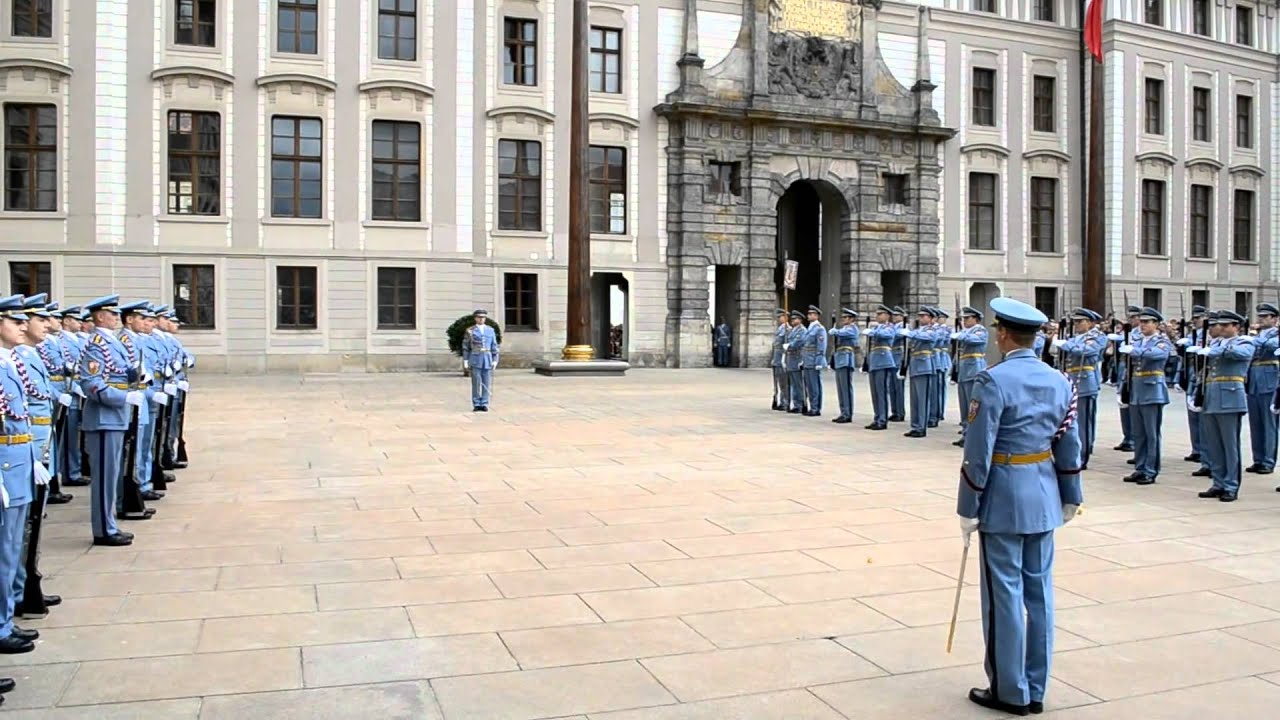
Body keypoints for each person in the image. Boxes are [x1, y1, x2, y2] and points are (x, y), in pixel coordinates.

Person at [957, 296, 1083, 717]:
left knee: (1004, 596)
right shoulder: (1060, 380)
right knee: (1039, 594)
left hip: (1004, 494)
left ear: (1004, 334)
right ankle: (1035, 686)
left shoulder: (992, 380)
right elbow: (1069, 443)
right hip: (1044, 492)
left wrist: (968, 503)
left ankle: (1009, 690)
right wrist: (1072, 495)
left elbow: (979, 450)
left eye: (997, 330)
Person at [78, 295, 141, 547]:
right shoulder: (97, 345)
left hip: (113, 418)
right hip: (104, 419)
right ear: (100, 317)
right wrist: (124, 396)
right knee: (104, 478)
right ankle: (104, 529)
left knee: (111, 474)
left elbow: (117, 372)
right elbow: (92, 385)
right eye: (112, 314)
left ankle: (109, 523)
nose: (117, 318)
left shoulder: (110, 343)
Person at [0, 295, 41, 659]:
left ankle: (6, 617)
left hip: (19, 460)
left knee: (12, 546)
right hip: (5, 466)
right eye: (15, 322)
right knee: (3, 549)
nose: (23, 327)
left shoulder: (10, 363)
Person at [1194, 310, 1253, 502]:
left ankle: (1231, 485)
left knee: (1229, 445)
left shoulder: (1244, 342)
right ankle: (1218, 483)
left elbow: (1242, 355)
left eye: (1226, 325)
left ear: (1236, 327)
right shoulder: (1216, 343)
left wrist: (1218, 350)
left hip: (1230, 397)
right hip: (1212, 396)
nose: (1221, 328)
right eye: (1220, 325)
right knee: (1214, 444)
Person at [119, 301, 166, 505]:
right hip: (134, 397)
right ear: (129, 319)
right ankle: (136, 485)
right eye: (142, 318)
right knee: (135, 447)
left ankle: (142, 483)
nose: (148, 323)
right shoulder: (124, 339)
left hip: (144, 395)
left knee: (145, 443)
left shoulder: (137, 340)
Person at [1124, 307, 1171, 486]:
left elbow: (1158, 355)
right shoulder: (1137, 340)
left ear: (1156, 324)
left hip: (1153, 390)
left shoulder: (1161, 340)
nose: (1142, 325)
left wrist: (1134, 351)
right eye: (1141, 322)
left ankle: (1151, 470)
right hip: (1137, 389)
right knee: (1138, 433)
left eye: (1146, 322)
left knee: (1151, 433)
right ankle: (1140, 466)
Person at [1056, 309, 1104, 468]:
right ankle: (1074, 450)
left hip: (1085, 382)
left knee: (1084, 422)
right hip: (1071, 380)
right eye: (1075, 322)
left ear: (1090, 323)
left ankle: (1083, 455)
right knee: (1071, 419)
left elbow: (1085, 350)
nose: (1076, 325)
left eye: (1080, 321)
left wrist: (1067, 344)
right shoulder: (1075, 338)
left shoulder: (1097, 337)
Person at [1246, 303, 1278, 475]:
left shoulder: (1276, 333)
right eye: (1260, 316)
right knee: (1256, 423)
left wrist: (1255, 339)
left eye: (1266, 317)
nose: (1262, 319)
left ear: (1274, 319)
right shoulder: (1257, 334)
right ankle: (1257, 459)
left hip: (1269, 380)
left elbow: (1273, 346)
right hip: (1254, 381)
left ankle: (1268, 461)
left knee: (1269, 423)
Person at [952, 306, 988, 448]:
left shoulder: (980, 330)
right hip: (964, 370)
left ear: (976, 319)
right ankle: (966, 434)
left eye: (967, 318)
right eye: (963, 319)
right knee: (964, 406)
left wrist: (961, 334)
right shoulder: (966, 331)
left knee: (973, 406)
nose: (964, 321)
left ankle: (973, 436)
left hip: (974, 370)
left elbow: (975, 341)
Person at [1179, 305, 1208, 470]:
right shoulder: (1192, 335)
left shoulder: (1208, 336)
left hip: (1201, 375)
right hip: (1191, 376)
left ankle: (1204, 451)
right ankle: (1196, 448)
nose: (1195, 321)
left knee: (1203, 418)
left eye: (1198, 318)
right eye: (1194, 319)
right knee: (1192, 416)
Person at [902, 308, 936, 438]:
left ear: (931, 318)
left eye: (924, 316)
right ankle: (915, 425)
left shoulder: (931, 330)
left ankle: (922, 427)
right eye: (920, 316)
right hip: (915, 365)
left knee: (922, 399)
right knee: (915, 399)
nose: (921, 318)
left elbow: (926, 337)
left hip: (924, 365)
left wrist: (911, 333)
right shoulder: (916, 330)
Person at [865, 305, 898, 430]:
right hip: (875, 360)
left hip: (884, 361)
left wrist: (873, 331)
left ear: (887, 316)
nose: (877, 316)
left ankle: (882, 420)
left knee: (882, 391)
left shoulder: (889, 327)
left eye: (880, 314)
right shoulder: (877, 327)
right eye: (877, 314)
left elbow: (885, 335)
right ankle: (877, 416)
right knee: (875, 392)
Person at [462, 309, 499, 412]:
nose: (481, 319)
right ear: (475, 318)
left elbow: (494, 345)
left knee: (486, 382)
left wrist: (495, 359)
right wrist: (465, 360)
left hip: (487, 358)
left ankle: (484, 403)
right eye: (479, 317)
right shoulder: (470, 330)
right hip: (475, 358)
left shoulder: (490, 330)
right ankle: (477, 403)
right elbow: (466, 346)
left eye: (483, 317)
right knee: (476, 382)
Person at [829, 308, 859, 424]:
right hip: (840, 359)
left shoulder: (852, 328)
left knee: (845, 388)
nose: (843, 320)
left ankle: (847, 413)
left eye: (846, 318)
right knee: (841, 389)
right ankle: (843, 412)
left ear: (851, 319)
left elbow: (845, 334)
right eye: (843, 318)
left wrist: (835, 331)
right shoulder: (843, 329)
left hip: (846, 359)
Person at [801, 306, 827, 417]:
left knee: (814, 385)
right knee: (809, 386)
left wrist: (819, 361)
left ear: (816, 316)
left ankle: (816, 408)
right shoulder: (810, 328)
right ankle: (812, 406)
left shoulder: (819, 328)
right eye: (809, 314)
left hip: (813, 360)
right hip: (807, 360)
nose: (809, 316)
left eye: (812, 314)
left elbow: (821, 346)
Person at [932, 307, 951, 428]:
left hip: (942, 359)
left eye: (940, 318)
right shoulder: (934, 329)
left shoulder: (947, 330)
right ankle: (935, 410)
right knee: (935, 388)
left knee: (941, 387)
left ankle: (940, 411)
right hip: (935, 358)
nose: (938, 320)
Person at [784, 310, 806, 413]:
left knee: (798, 383)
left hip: (797, 358)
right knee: (793, 383)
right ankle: (795, 403)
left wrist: (789, 345)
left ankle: (800, 404)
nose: (792, 320)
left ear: (800, 320)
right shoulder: (792, 330)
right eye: (792, 319)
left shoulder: (802, 330)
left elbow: (798, 342)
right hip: (790, 359)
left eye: (795, 319)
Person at [890, 307, 907, 422]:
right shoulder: (893, 327)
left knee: (898, 387)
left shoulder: (903, 327)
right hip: (892, 357)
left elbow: (895, 336)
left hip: (898, 357)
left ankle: (900, 412)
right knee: (891, 387)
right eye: (894, 315)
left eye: (897, 315)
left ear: (902, 316)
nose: (894, 317)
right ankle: (894, 411)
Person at [771, 309, 789, 411]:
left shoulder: (787, 329)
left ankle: (784, 402)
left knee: (783, 382)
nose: (778, 319)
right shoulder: (780, 329)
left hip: (782, 359)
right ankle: (779, 400)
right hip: (776, 359)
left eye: (780, 317)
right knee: (777, 382)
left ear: (785, 317)